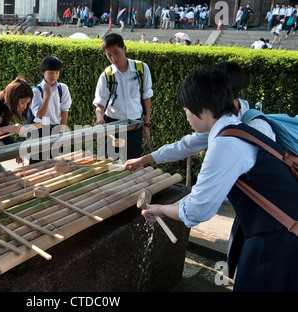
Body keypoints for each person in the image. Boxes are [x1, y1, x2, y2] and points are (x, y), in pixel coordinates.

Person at [132, 67, 298, 292]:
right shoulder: (236, 129)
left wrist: (161, 209)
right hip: (279, 228)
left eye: (186, 111)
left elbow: (198, 209)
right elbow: (192, 156)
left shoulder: (225, 144)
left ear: (202, 110)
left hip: (278, 238)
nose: (187, 117)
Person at [124, 61, 276, 171]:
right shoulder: (220, 121)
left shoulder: (257, 127)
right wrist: (145, 159)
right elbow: (187, 145)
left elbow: (268, 175)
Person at [93, 33, 153, 161]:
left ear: (124, 48)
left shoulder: (141, 69)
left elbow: (147, 96)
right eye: (109, 55)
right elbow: (100, 103)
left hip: (134, 125)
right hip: (112, 125)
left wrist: (147, 124)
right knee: (109, 163)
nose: (114, 58)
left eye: (116, 53)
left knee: (132, 163)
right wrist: (99, 118)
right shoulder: (107, 75)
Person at [28, 56, 72, 164]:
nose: (54, 76)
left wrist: (61, 131)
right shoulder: (36, 91)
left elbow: (65, 110)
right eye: (51, 72)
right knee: (36, 163)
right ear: (43, 72)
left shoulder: (63, 88)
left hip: (56, 129)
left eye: (57, 72)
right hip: (39, 130)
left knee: (53, 163)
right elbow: (39, 115)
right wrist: (47, 95)